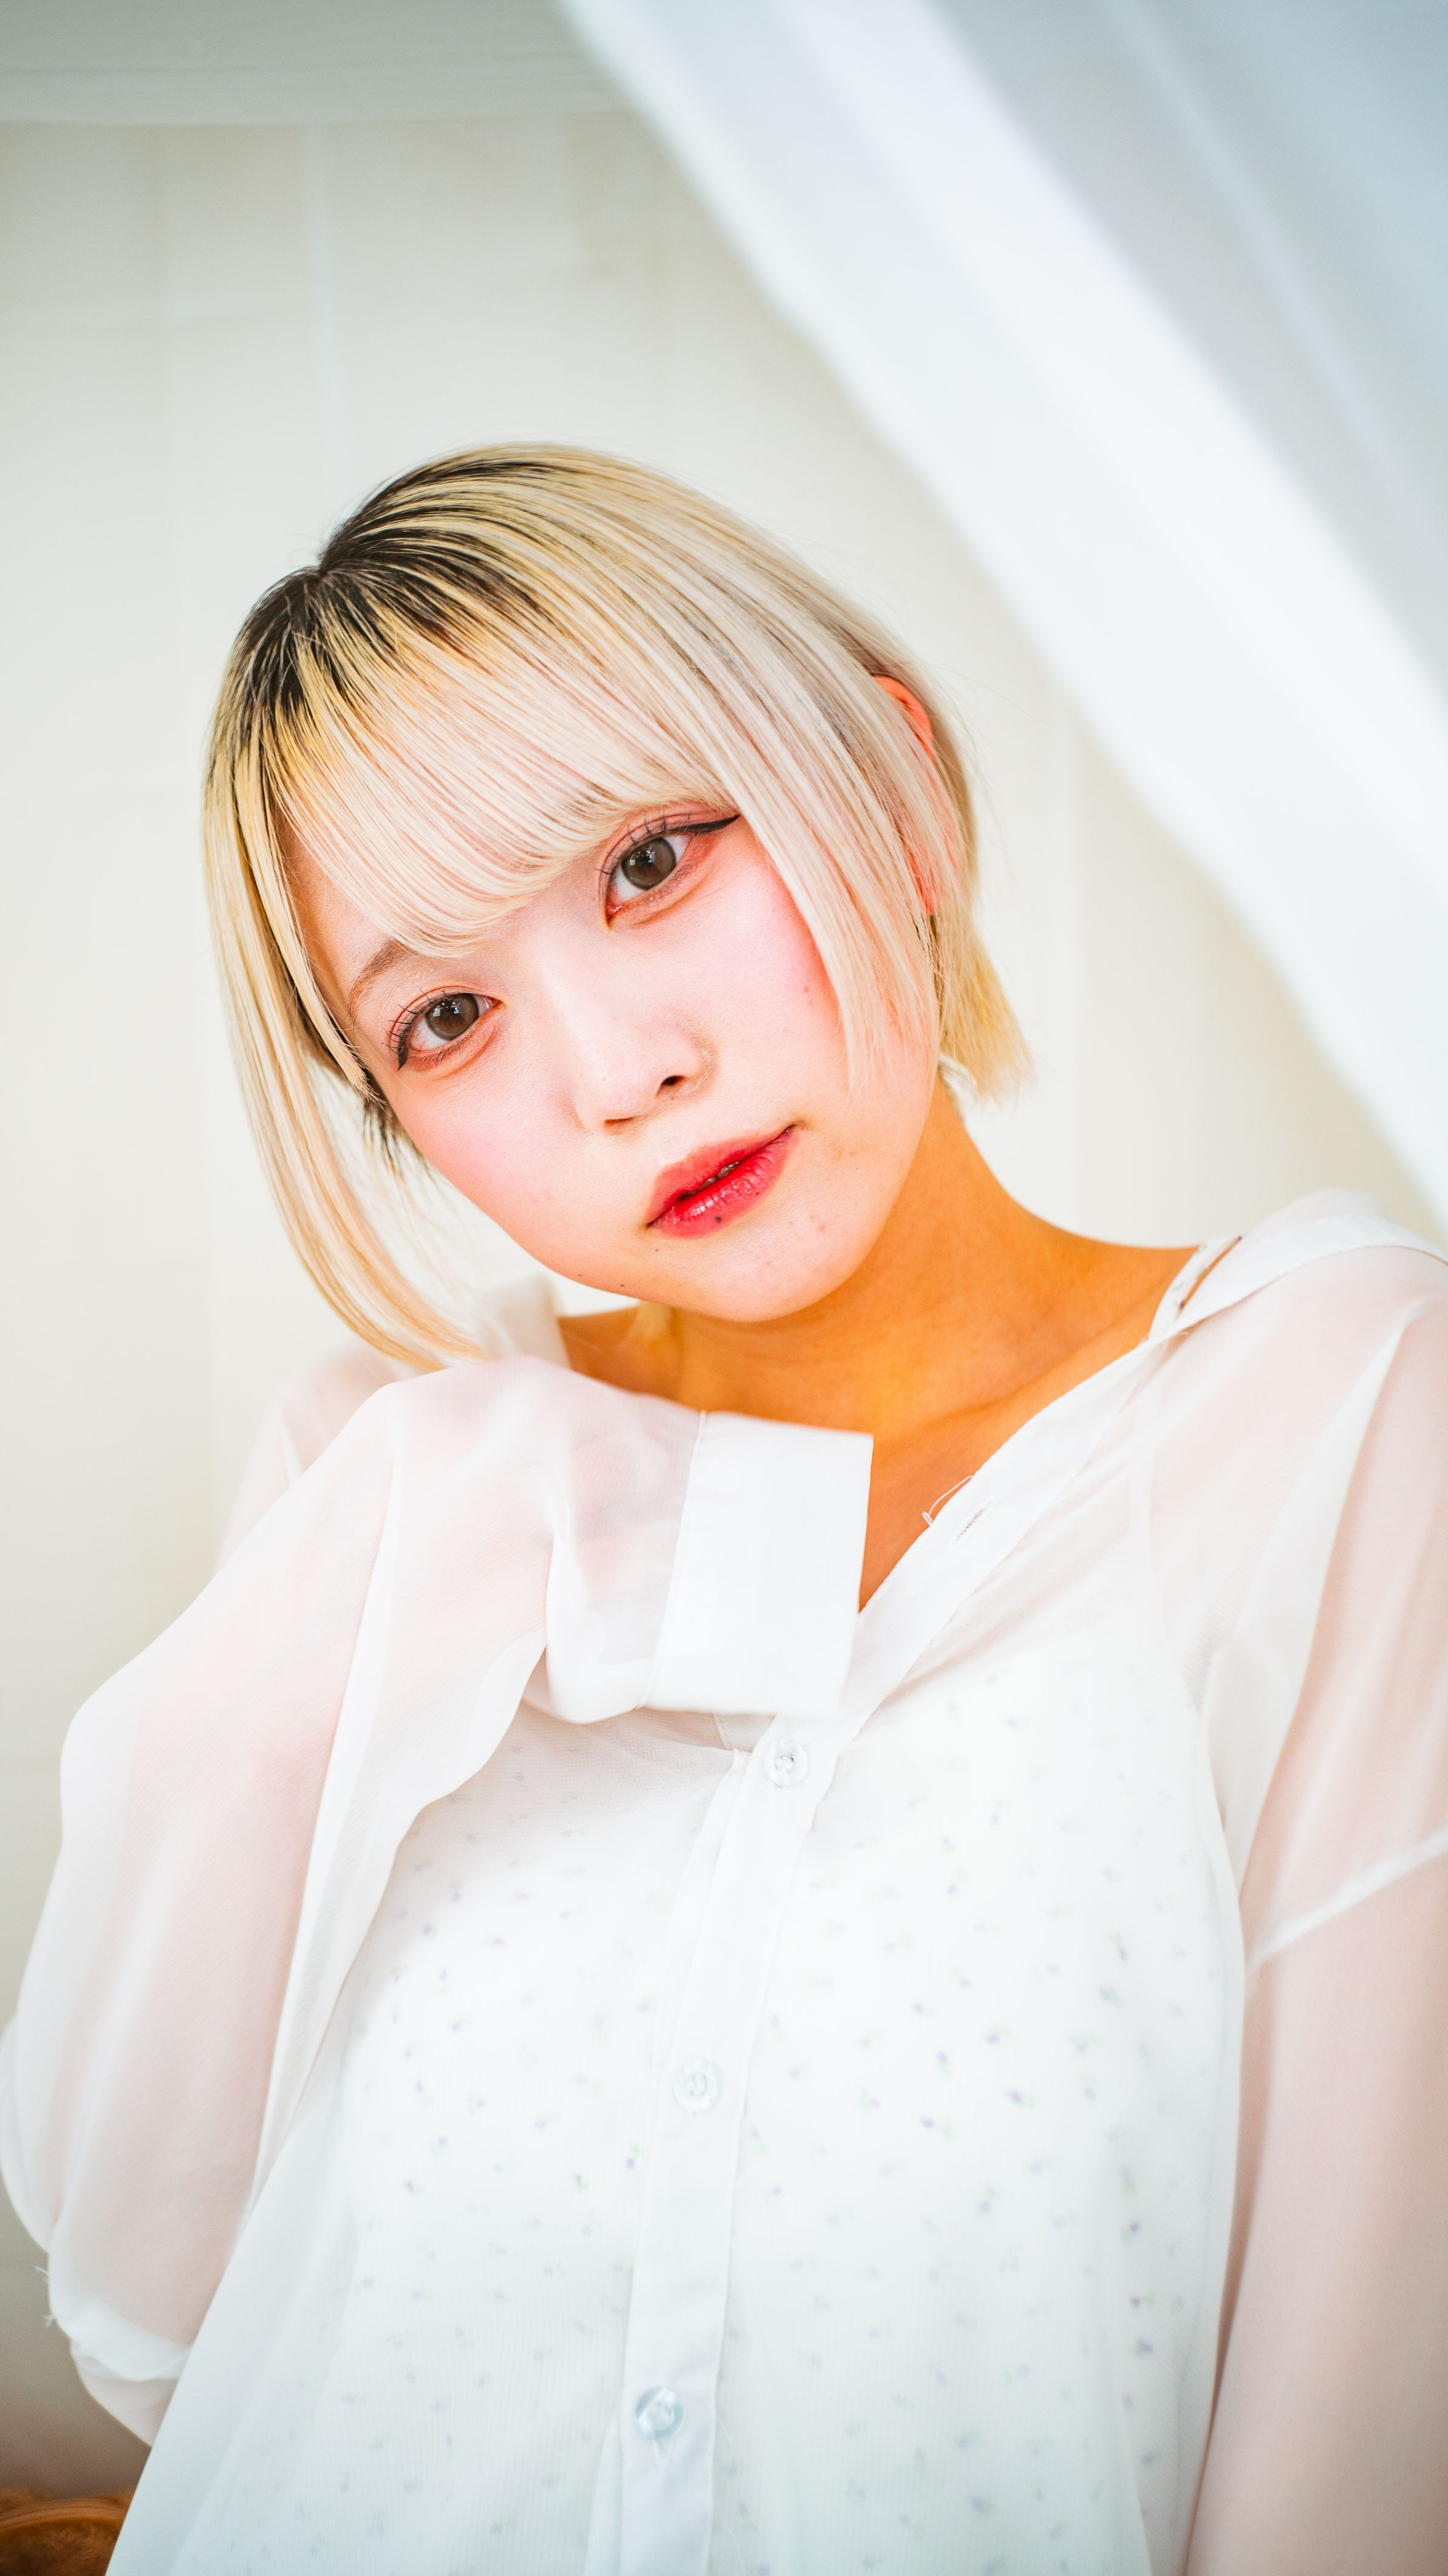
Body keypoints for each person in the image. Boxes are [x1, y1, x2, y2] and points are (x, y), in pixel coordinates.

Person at [3, 448, 1446, 2576]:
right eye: (447, 1018)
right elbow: (156, 2319)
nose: (615, 1073)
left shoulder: (1332, 1401)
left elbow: (1350, 2461)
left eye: (652, 862)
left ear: (900, 791)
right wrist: (324, 1633)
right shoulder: (381, 1470)